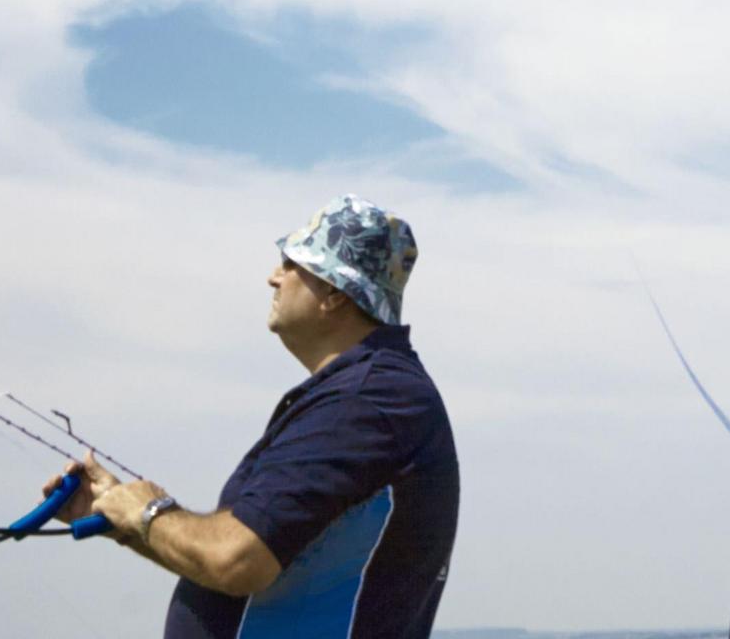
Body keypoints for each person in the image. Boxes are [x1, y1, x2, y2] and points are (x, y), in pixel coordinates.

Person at [54, 196, 458, 639]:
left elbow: (236, 559)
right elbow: (244, 565)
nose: (273, 277)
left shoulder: (366, 402)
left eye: (290, 264)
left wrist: (147, 511)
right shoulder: (367, 395)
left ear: (334, 295)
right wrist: (126, 522)